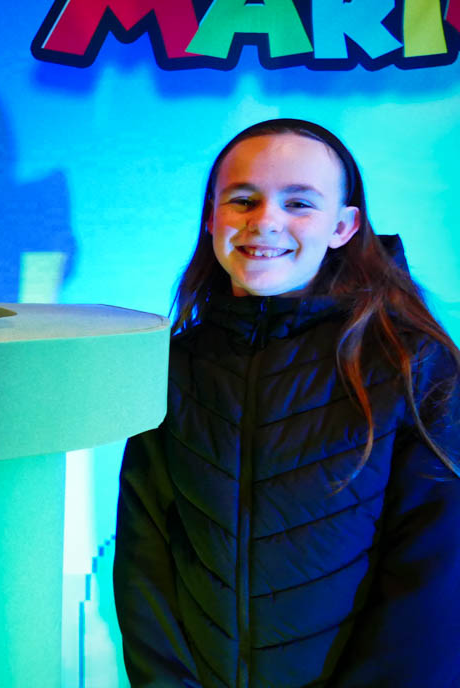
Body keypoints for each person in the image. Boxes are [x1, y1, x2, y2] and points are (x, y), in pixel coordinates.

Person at [114, 118, 460, 687]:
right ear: (211, 218)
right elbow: (144, 559)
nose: (265, 221)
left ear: (343, 226)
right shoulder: (170, 365)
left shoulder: (410, 363)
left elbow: (436, 577)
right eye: (243, 200)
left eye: (299, 203)